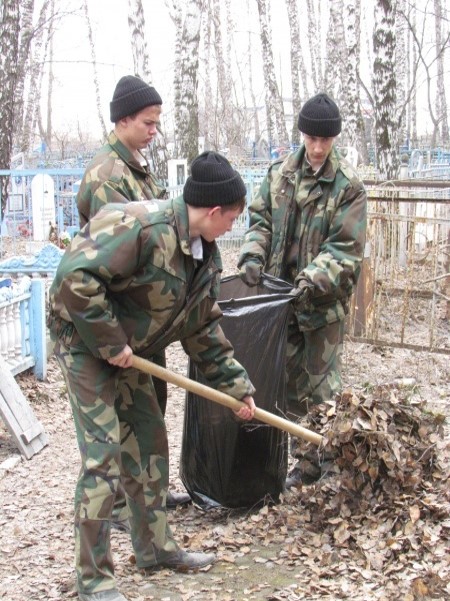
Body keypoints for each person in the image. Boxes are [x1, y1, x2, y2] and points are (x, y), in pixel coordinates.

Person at [48, 150, 256, 601]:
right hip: (84, 341)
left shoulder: (206, 258)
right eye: (233, 218)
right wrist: (110, 341)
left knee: (148, 441)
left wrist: (238, 389)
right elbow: (73, 277)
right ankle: (94, 580)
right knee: (103, 458)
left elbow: (203, 331)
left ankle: (155, 549)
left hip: (128, 349)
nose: (233, 227)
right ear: (215, 210)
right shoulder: (142, 226)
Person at [237, 92, 367, 488]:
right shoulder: (279, 175)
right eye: (311, 138)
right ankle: (306, 462)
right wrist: (252, 258)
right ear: (302, 134)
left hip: (321, 305)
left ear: (334, 140)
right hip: (279, 300)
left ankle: (329, 463)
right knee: (290, 387)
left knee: (322, 389)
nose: (317, 147)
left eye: (325, 140)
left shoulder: (347, 187)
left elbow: (345, 249)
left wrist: (312, 278)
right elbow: (259, 223)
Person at [76, 74, 190, 515]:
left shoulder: (135, 167)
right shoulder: (106, 175)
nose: (154, 131)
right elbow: (112, 255)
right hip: (118, 319)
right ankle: (126, 505)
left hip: (143, 319)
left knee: (149, 409)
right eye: (148, 122)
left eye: (157, 122)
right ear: (122, 120)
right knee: (128, 414)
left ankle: (148, 495)